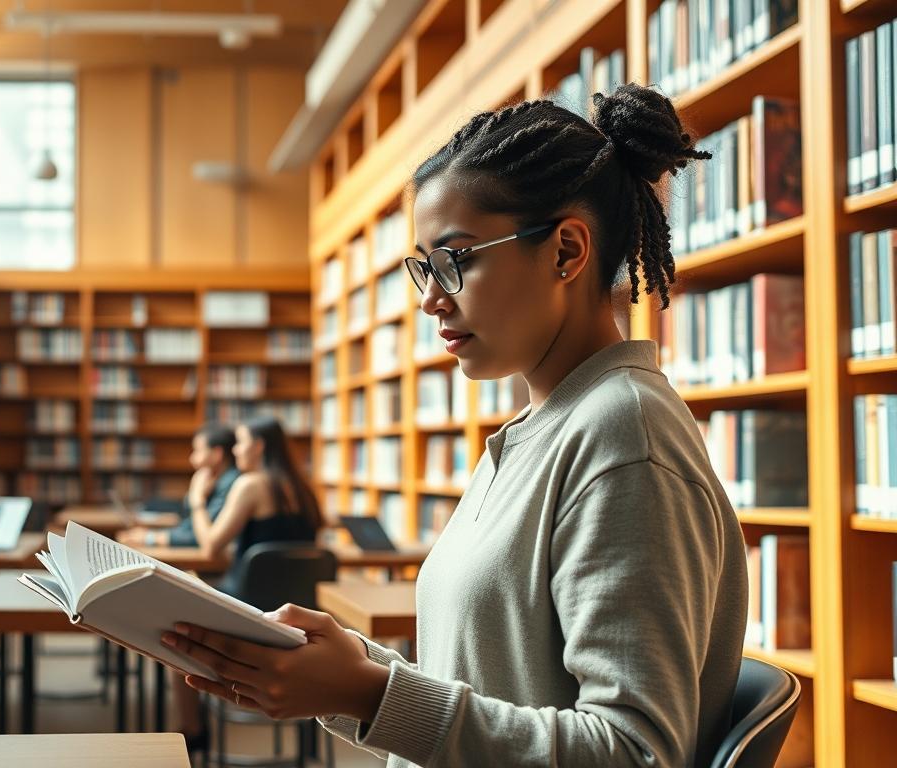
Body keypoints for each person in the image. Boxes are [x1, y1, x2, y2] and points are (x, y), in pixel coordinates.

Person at [159, 84, 748, 767]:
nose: (432, 299)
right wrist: (352, 674)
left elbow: (631, 752)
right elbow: (494, 680)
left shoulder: (623, 435)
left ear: (565, 252)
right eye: (423, 268)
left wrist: (374, 693)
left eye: (456, 260)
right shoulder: (541, 428)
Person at [169, 415, 322, 751]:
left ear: (258, 446)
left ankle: (192, 731)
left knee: (175, 628)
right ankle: (308, 742)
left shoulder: (251, 485)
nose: (235, 450)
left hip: (250, 610)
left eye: (239, 442)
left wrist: (196, 500)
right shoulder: (304, 488)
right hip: (297, 617)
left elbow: (210, 546)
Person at [117, 424, 241, 548]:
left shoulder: (230, 483)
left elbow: (201, 536)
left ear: (217, 454)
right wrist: (151, 535)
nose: (192, 458)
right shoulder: (212, 480)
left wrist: (151, 538)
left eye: (198, 451)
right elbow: (190, 525)